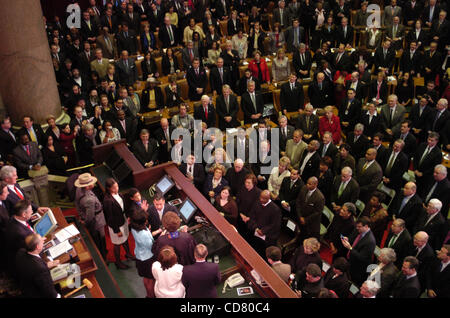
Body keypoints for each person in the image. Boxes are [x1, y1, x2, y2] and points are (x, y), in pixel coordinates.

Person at [15, 234, 60, 298]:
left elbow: (32, 268)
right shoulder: (40, 269)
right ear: (37, 247)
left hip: (25, 287)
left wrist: (46, 265)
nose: (43, 241)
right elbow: (50, 293)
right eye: (41, 240)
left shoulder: (20, 252)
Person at [74, 173, 107, 259]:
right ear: (87, 186)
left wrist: (81, 215)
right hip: (97, 222)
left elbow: (77, 204)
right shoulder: (89, 200)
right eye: (91, 183)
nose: (93, 183)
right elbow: (90, 217)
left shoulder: (78, 189)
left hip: (87, 216)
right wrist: (85, 222)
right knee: (101, 240)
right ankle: (104, 257)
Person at [240, 190, 281, 257]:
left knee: (261, 253)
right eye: (260, 197)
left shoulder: (275, 209)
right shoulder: (257, 203)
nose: (261, 200)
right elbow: (251, 215)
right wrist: (256, 228)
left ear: (269, 198)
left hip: (266, 236)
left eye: (264, 198)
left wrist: (263, 231)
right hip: (255, 231)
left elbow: (275, 225)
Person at [103, 178, 134, 269]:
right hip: (115, 225)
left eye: (117, 186)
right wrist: (117, 230)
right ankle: (118, 262)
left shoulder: (119, 194)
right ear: (109, 188)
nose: (117, 188)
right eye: (114, 187)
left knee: (125, 238)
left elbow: (122, 208)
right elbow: (110, 217)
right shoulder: (108, 201)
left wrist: (127, 217)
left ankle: (128, 254)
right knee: (117, 243)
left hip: (122, 220)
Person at [341, 216, 376, 286]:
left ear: (366, 226)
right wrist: (348, 240)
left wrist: (350, 248)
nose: (357, 228)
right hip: (351, 262)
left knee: (352, 284)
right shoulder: (359, 231)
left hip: (358, 269)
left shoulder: (370, 241)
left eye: (359, 227)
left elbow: (362, 257)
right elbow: (354, 241)